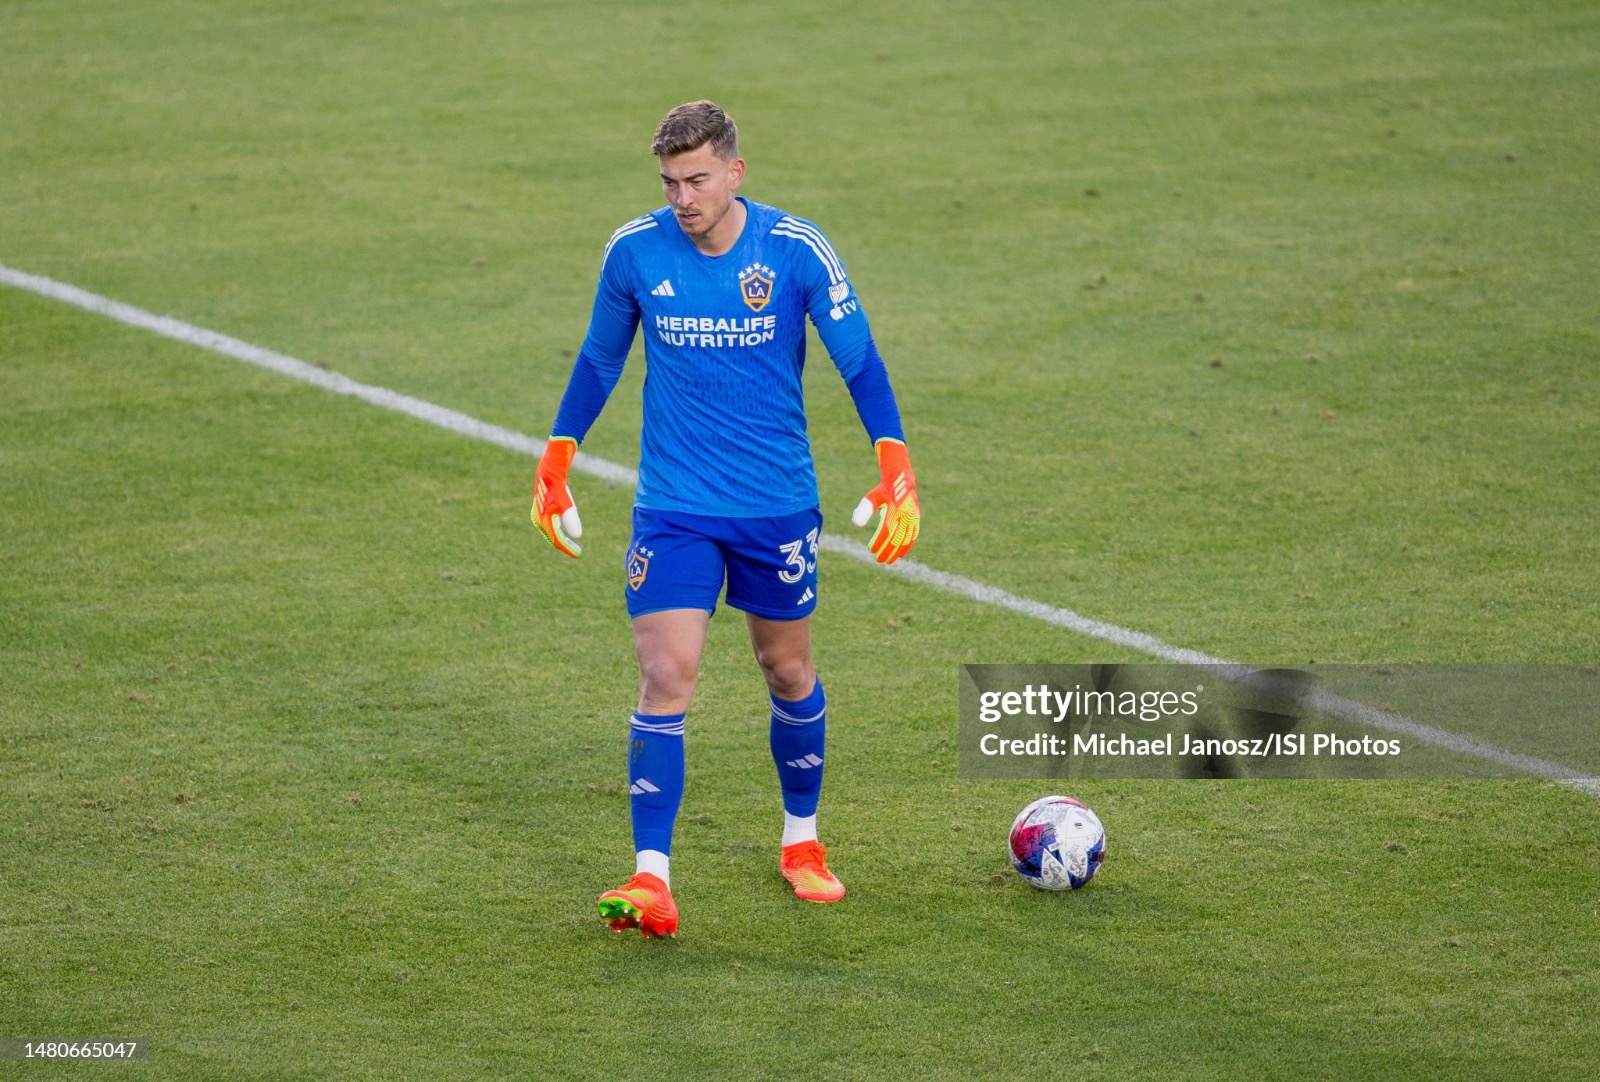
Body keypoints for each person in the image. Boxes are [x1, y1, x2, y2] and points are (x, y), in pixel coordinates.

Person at [531, 100, 921, 937]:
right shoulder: (635, 250)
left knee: (786, 670)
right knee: (667, 673)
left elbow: (859, 361)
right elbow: (601, 357)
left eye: (698, 179)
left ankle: (802, 843)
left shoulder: (794, 250)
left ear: (735, 174)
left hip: (775, 504)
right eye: (670, 182)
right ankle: (651, 878)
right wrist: (558, 457)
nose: (683, 197)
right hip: (674, 508)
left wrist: (896, 466)